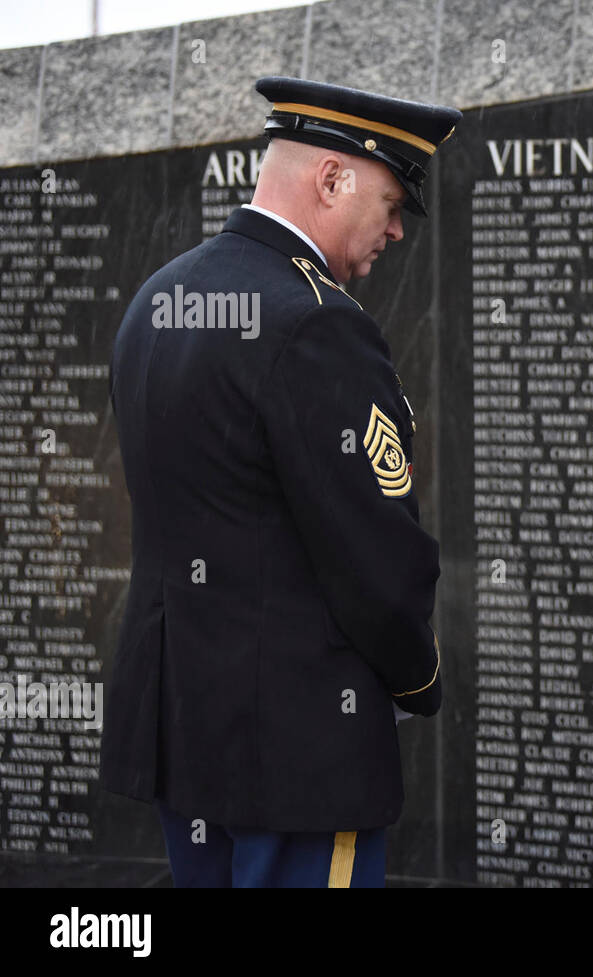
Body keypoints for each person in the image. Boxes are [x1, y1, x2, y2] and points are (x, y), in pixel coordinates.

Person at [100, 76, 461, 887]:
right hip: (298, 746)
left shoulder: (158, 299)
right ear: (333, 180)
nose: (397, 229)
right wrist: (419, 674)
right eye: (394, 202)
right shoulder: (316, 320)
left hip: (185, 733)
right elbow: (376, 553)